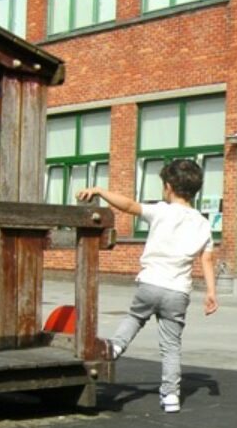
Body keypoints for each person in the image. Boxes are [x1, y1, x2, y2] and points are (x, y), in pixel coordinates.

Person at [76, 159, 217, 413]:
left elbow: (128, 205)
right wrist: (211, 292)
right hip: (178, 291)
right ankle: (171, 397)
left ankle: (117, 345)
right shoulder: (203, 223)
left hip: (151, 283)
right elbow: (206, 259)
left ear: (168, 187)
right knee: (171, 346)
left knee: (136, 316)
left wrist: (99, 191)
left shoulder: (161, 211)